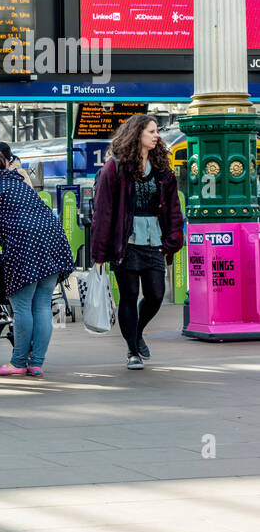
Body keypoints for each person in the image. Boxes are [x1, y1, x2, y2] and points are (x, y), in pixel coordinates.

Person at [90, 114, 184, 370]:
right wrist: (100, 253)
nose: (157, 136)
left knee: (155, 294)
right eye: (151, 131)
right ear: (137, 134)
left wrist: (173, 240)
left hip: (154, 241)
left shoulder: (163, 170)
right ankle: (132, 350)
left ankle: (138, 331)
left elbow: (174, 209)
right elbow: (104, 212)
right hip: (126, 243)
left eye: (156, 132)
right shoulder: (115, 168)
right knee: (129, 296)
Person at [0, 150, 75, 376]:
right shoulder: (18, 181)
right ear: (6, 165)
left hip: (25, 243)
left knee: (21, 307)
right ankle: (36, 362)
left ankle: (18, 362)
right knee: (42, 305)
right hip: (53, 239)